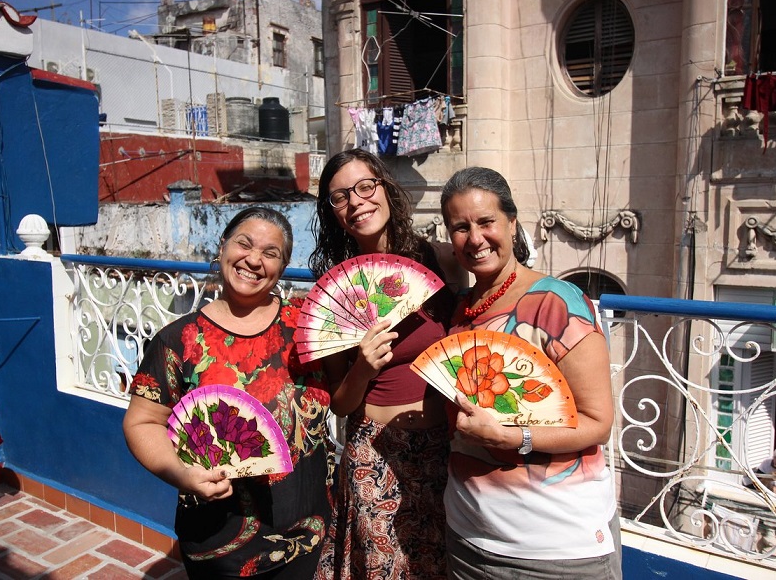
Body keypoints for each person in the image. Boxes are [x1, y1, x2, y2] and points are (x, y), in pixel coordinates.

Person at [123, 207, 334, 579]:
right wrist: (182, 474)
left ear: (282, 268)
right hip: (219, 541)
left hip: (309, 532)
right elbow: (142, 422)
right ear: (222, 247)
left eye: (271, 254)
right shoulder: (179, 341)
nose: (254, 259)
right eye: (244, 244)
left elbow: (345, 396)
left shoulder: (307, 329)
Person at [439, 167, 621, 579]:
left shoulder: (556, 303)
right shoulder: (461, 307)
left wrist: (512, 436)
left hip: (553, 546)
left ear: (513, 223)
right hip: (469, 537)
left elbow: (597, 423)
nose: (475, 238)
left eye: (487, 222)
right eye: (460, 227)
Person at [311, 148, 454, 579]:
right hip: (373, 454)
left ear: (386, 190)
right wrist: (364, 368)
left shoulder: (442, 261)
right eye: (340, 197)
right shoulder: (333, 292)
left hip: (444, 450)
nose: (356, 202)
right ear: (333, 212)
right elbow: (339, 402)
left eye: (365, 187)